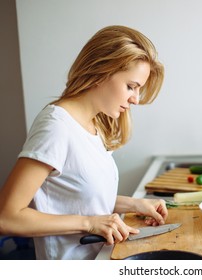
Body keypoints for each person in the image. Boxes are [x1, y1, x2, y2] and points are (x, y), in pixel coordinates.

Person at [0, 25, 167, 260]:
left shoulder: (92, 124)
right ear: (101, 71)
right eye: (131, 87)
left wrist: (133, 204)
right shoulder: (56, 127)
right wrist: (89, 223)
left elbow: (72, 199)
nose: (136, 99)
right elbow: (7, 217)